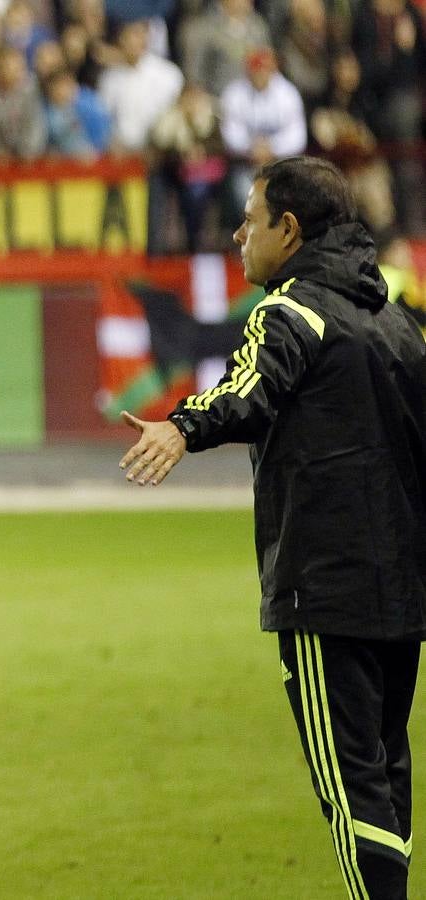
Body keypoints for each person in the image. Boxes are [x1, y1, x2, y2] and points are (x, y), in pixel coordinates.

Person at [119, 156, 426, 900]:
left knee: (350, 784)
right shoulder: (397, 321)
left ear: (289, 230)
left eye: (250, 220)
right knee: (386, 773)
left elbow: (249, 388)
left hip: (326, 585)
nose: (237, 235)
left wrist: (182, 429)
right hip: (407, 588)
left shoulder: (289, 312)